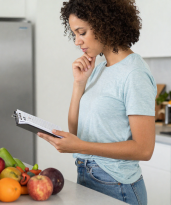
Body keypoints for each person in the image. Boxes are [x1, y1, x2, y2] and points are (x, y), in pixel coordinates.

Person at [37, 1, 157, 204]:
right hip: (87, 175)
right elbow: (76, 132)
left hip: (118, 185)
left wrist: (82, 147)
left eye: (81, 32)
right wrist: (79, 84)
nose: (77, 41)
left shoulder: (134, 73)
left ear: (104, 25)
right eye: (74, 34)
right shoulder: (100, 69)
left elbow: (144, 149)